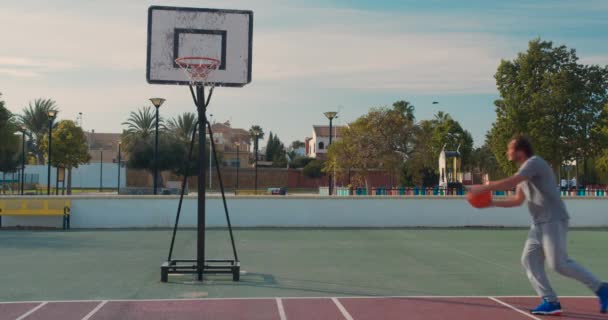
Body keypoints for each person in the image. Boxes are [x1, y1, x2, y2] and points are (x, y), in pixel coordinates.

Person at [469, 136, 608, 315]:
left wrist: (485, 187)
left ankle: (602, 289)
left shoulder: (534, 163)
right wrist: (491, 203)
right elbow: (517, 200)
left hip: (553, 219)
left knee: (559, 264)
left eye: (509, 149)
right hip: (539, 225)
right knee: (529, 260)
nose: (507, 152)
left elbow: (510, 182)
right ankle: (550, 301)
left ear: (520, 151)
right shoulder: (524, 171)